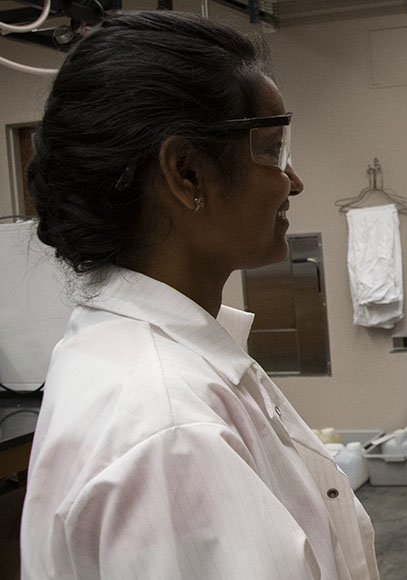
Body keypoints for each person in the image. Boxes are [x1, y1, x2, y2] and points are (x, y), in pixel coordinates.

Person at [20, 11, 379, 580]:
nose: (295, 180)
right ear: (187, 173)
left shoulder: (123, 354)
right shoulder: (171, 432)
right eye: (271, 148)